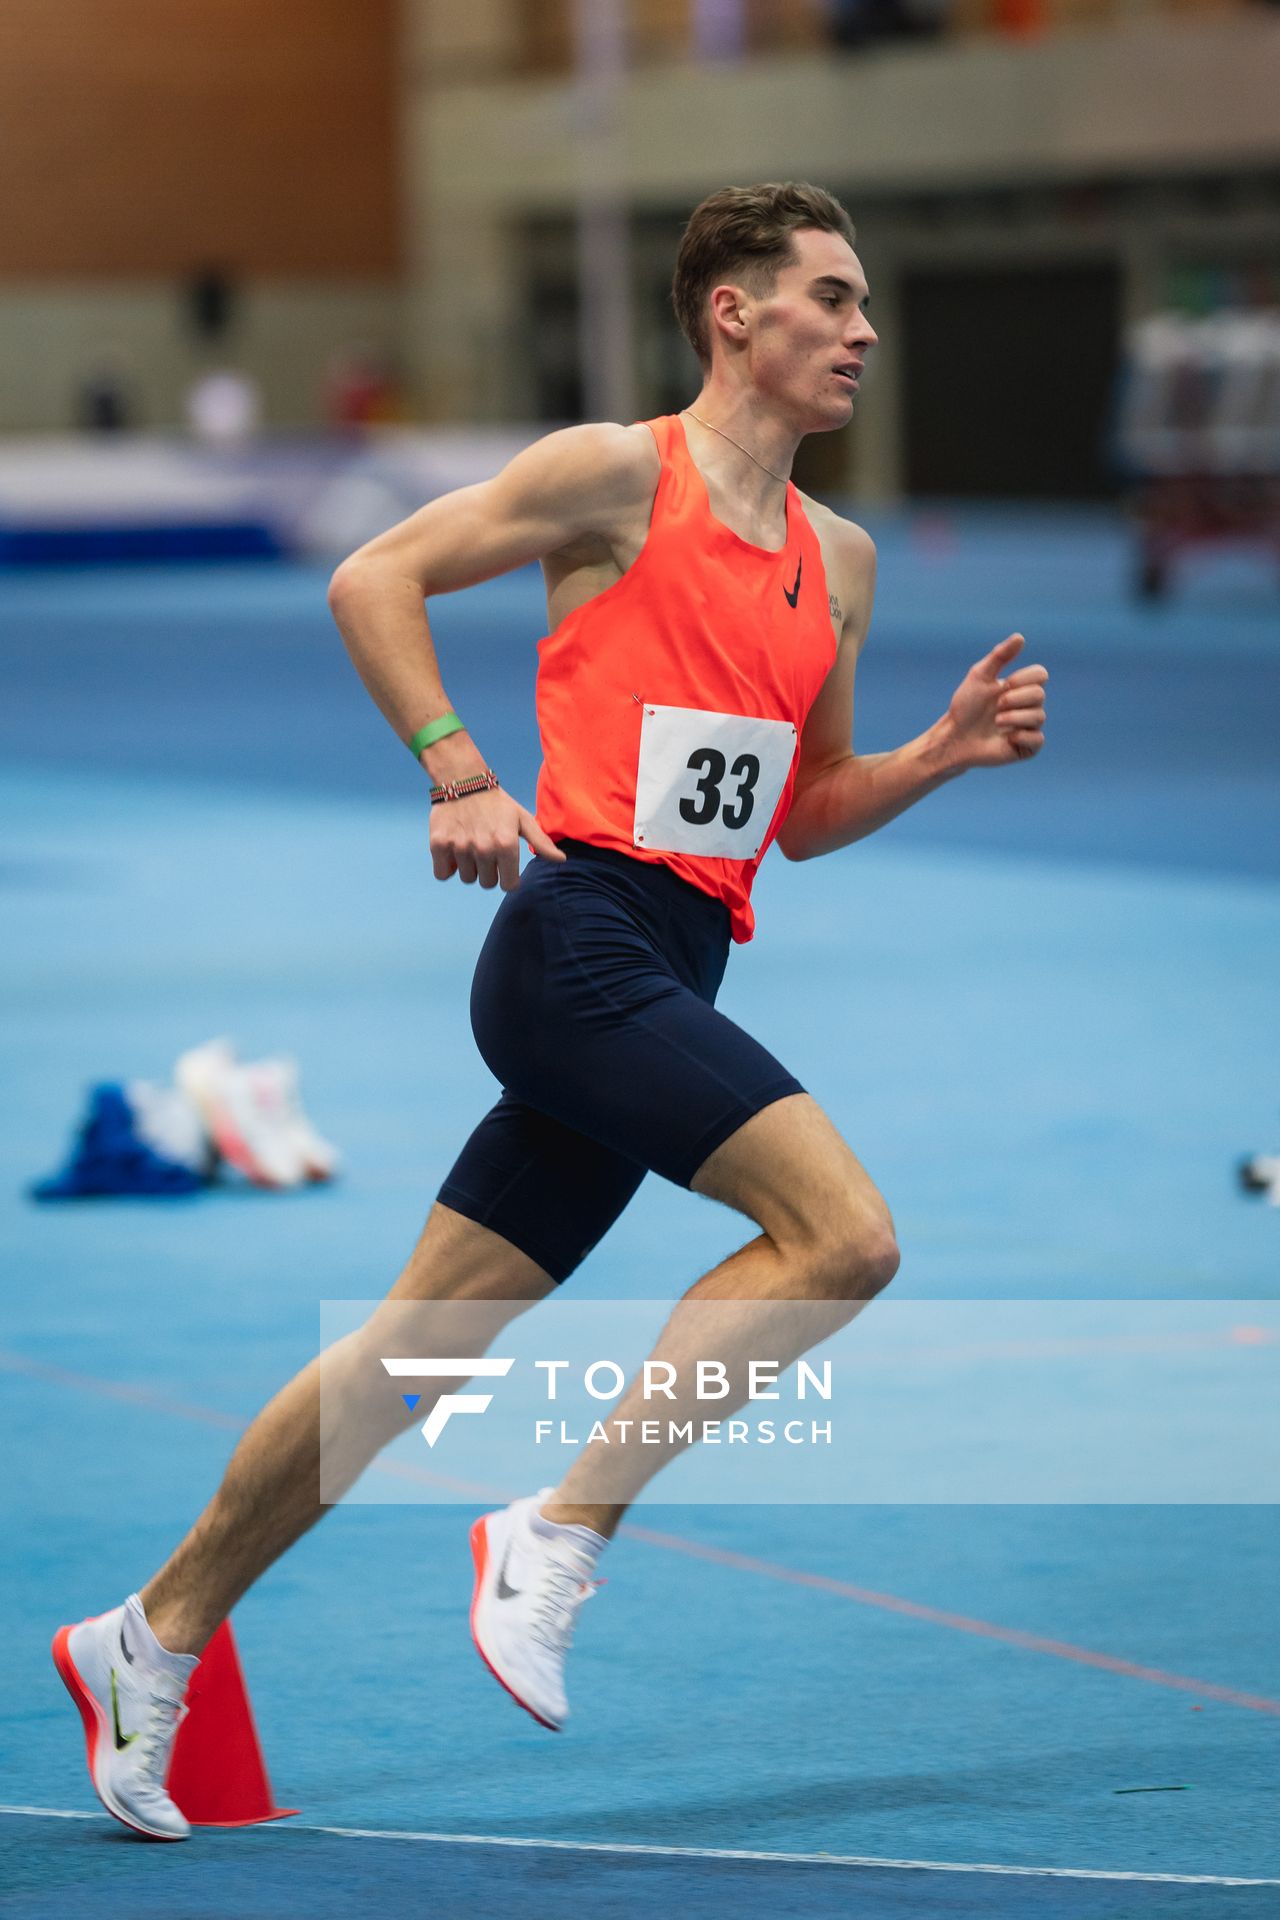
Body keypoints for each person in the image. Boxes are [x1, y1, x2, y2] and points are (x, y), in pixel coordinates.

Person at [53, 182, 1048, 1839]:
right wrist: (456, 768)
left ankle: (145, 1636)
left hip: (677, 964)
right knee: (847, 1238)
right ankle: (561, 1528)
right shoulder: (614, 475)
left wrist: (935, 758)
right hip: (576, 941)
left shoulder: (843, 563)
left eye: (867, 303)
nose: (865, 330)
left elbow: (801, 812)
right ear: (733, 312)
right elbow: (374, 576)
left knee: (411, 1350)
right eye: (832, 296)